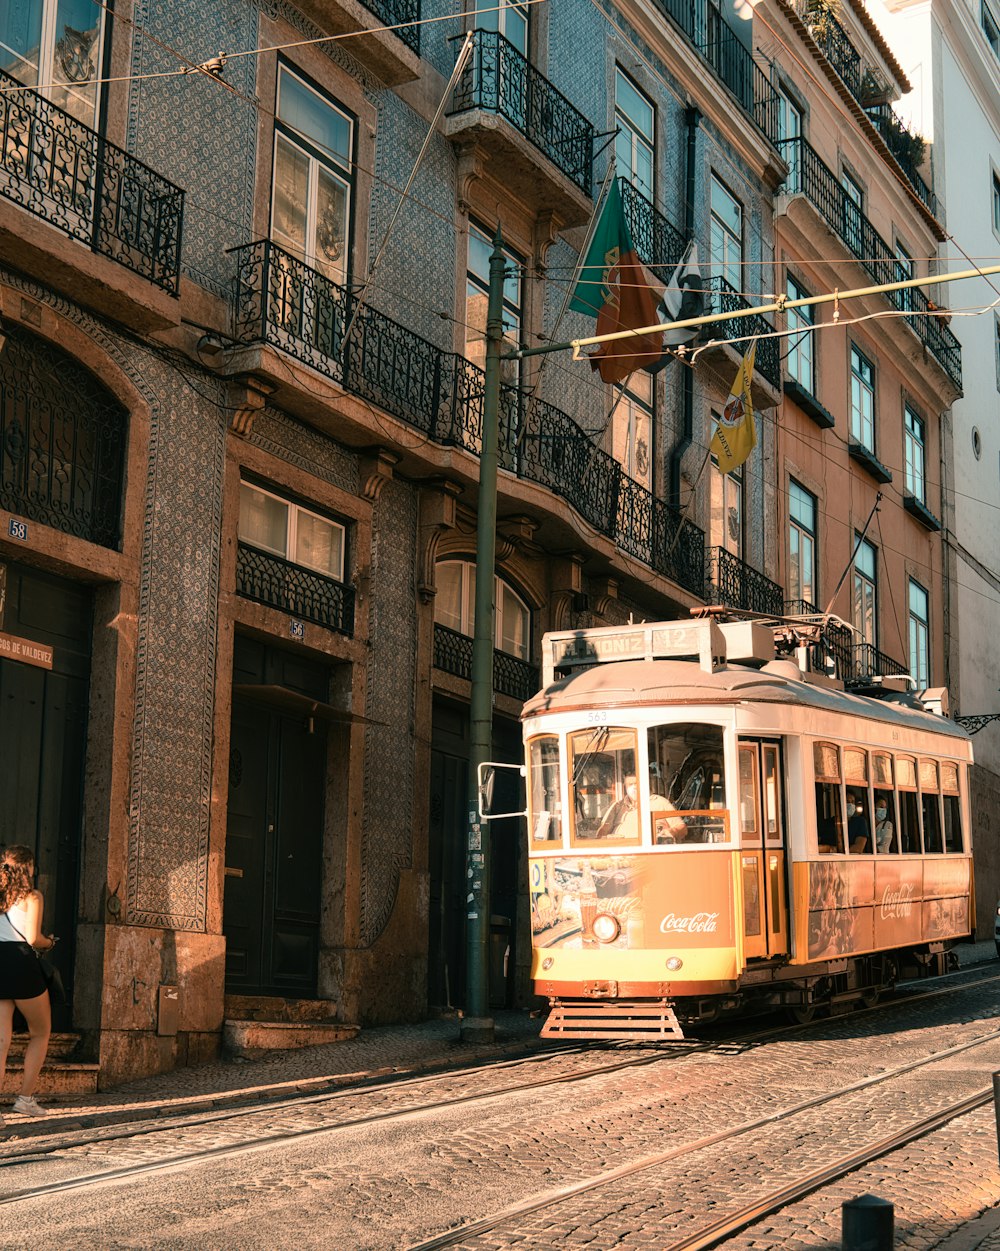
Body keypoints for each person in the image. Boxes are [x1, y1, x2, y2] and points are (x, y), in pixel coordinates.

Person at [0, 845, 57, 1123]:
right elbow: (34, 939)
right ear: (29, 868)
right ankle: (24, 1099)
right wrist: (51, 942)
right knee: (41, 1031)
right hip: (22, 964)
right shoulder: (32, 897)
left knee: (1, 1041)